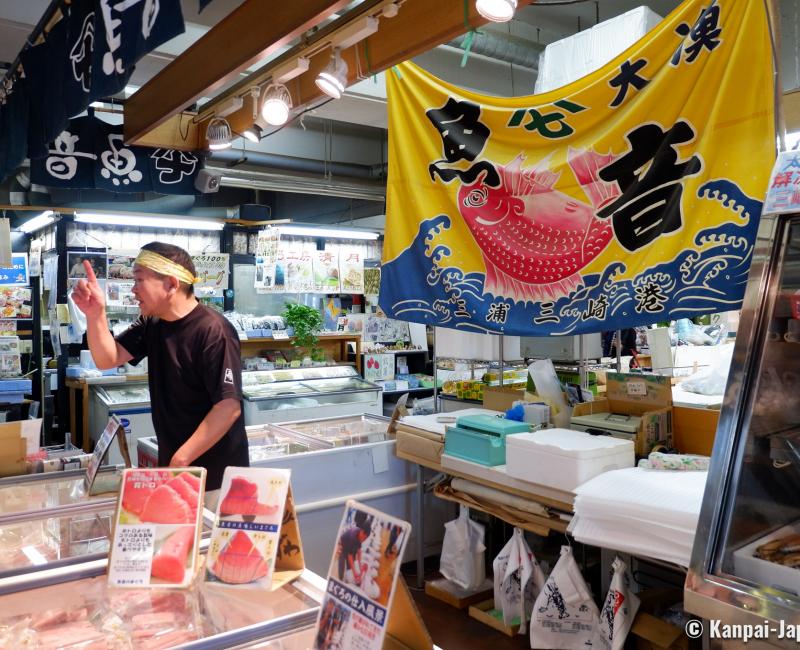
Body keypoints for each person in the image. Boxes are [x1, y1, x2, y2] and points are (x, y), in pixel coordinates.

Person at [71, 242, 249, 503]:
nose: (133, 289)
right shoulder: (152, 322)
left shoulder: (214, 331)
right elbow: (107, 358)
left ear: (172, 284)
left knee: (210, 543)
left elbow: (228, 407)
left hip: (217, 479)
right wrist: (95, 314)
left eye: (139, 280)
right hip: (179, 470)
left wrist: (180, 458)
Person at [337, 518, 371, 586]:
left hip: (350, 544)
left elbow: (359, 551)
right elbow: (349, 557)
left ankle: (348, 576)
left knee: (351, 565)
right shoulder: (352, 537)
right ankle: (340, 579)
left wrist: (360, 565)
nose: (364, 540)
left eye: (366, 539)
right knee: (342, 561)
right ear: (361, 531)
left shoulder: (360, 535)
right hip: (343, 544)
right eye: (364, 538)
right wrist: (355, 573)